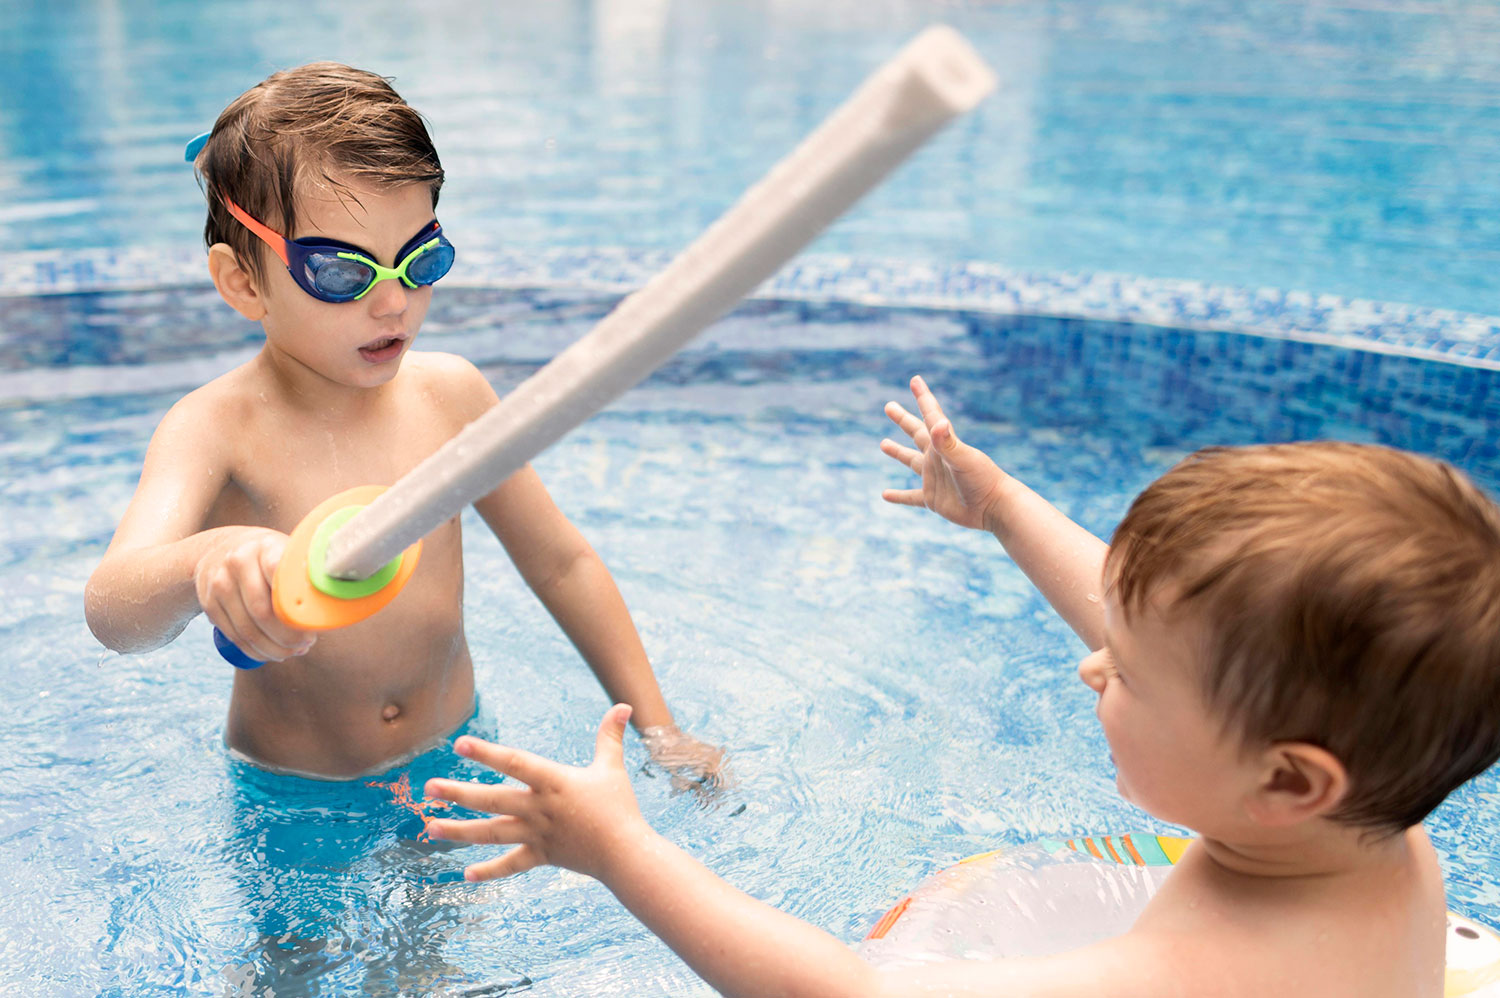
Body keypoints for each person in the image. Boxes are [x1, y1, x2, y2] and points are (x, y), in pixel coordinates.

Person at [419, 374, 1500, 996]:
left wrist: (619, 847)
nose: (1091, 662)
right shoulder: (1371, 817)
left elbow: (847, 994)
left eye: (1124, 674)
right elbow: (1172, 637)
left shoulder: (1200, 971)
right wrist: (1007, 508)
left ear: (1289, 777)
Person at [84, 62, 723, 786]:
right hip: (294, 792)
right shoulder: (215, 427)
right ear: (242, 281)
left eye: (419, 260)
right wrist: (209, 559)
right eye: (342, 273)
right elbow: (113, 607)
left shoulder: (449, 397)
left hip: (455, 756)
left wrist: (660, 730)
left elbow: (561, 563)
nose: (393, 304)